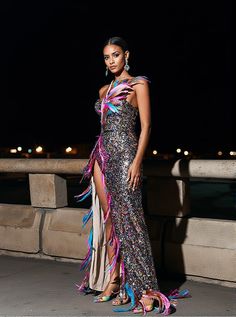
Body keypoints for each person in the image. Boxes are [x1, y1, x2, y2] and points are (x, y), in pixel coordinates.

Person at [75, 36, 187, 314]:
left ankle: (147, 290)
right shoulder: (104, 90)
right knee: (110, 220)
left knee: (132, 221)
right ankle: (116, 282)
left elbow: (146, 127)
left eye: (115, 55)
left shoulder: (139, 84)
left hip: (126, 155)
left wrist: (137, 163)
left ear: (126, 55)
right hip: (101, 156)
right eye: (106, 57)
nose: (111, 60)